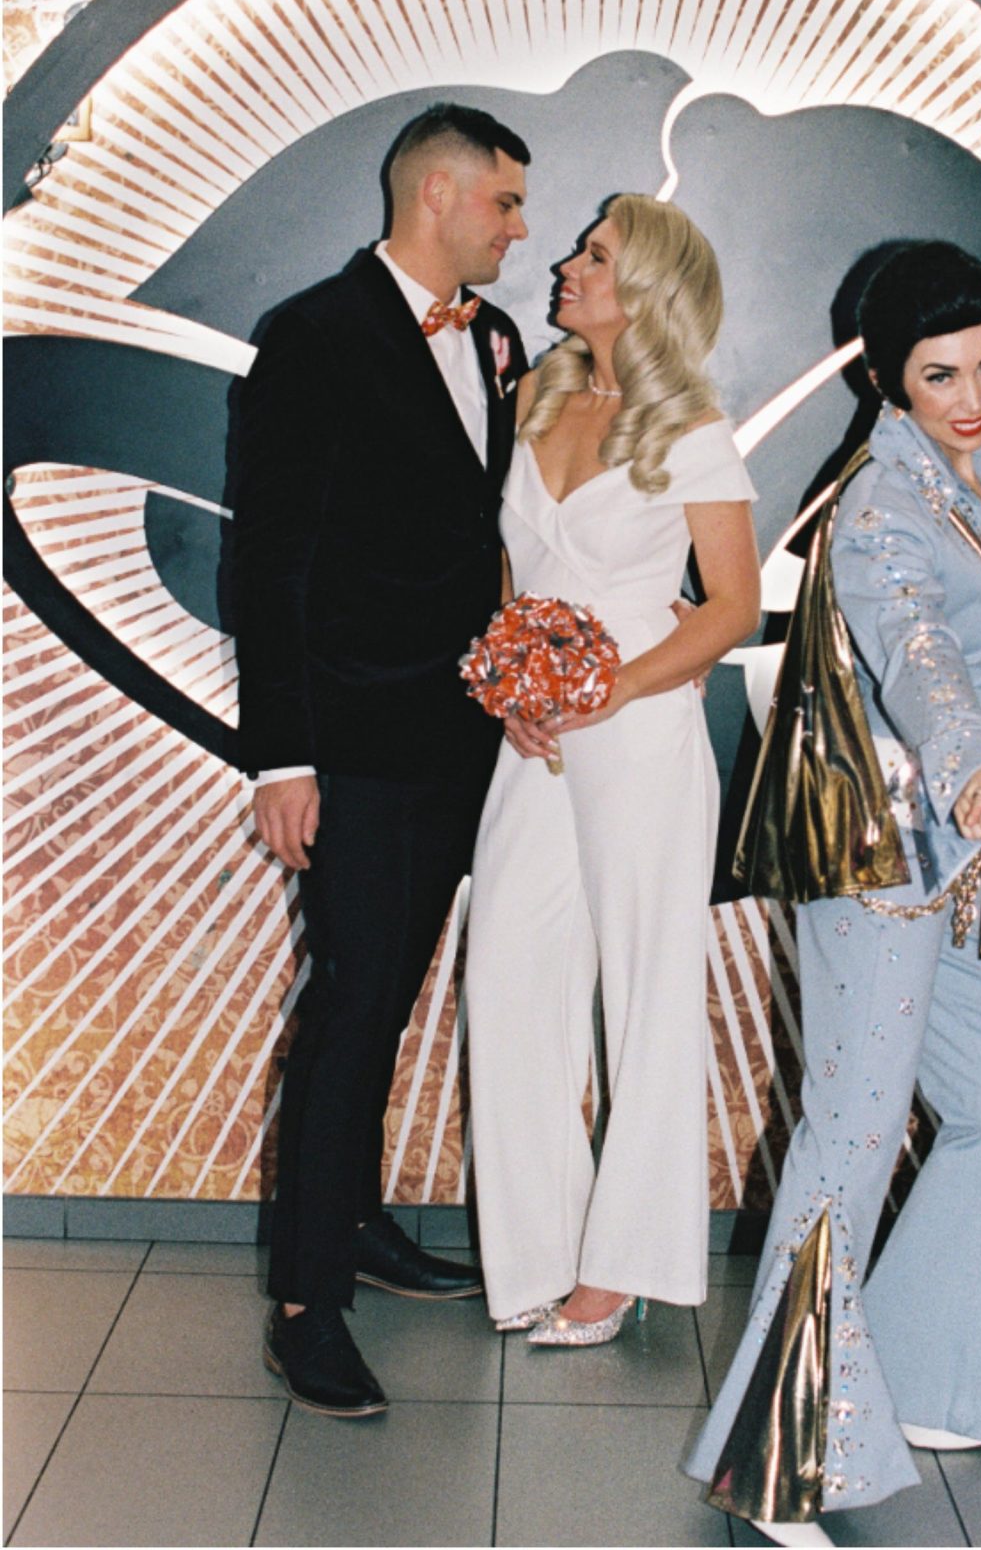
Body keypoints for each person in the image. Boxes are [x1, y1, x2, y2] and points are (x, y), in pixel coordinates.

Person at [685, 241, 981, 1538]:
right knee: (852, 1140)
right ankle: (779, 1456)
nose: (974, 394)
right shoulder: (881, 500)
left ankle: (937, 1370)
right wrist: (973, 763)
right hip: (884, 867)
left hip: (955, 860)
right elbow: (915, 644)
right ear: (889, 376)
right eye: (943, 374)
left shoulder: (964, 470)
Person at [234, 102, 531, 1417]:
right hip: (354, 749)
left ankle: (353, 1220)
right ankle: (307, 1304)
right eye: (506, 205)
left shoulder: (500, 339)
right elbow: (269, 565)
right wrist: (280, 757)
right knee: (355, 1007)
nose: (522, 229)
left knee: (390, 1000)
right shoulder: (311, 336)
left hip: (468, 741)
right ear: (439, 195)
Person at [463, 194, 762, 1344]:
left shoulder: (693, 428)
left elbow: (729, 605)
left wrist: (617, 686)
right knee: (509, 980)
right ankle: (536, 1252)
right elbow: (512, 566)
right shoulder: (534, 393)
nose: (566, 267)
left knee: (645, 991)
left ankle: (624, 1262)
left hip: (637, 733)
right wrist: (514, 692)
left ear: (646, 291)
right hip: (535, 738)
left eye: (595, 256)